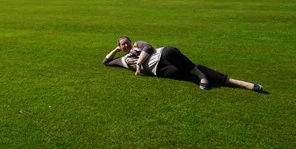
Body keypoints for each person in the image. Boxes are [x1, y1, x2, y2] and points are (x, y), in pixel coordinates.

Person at [102, 36, 265, 92]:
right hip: (162, 70)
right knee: (193, 70)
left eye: (126, 42)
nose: (125, 45)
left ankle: (204, 78)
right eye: (122, 44)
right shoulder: (123, 60)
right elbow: (106, 62)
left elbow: (148, 47)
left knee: (171, 51)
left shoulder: (138, 44)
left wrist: (138, 65)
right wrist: (115, 50)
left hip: (164, 55)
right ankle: (241, 83)